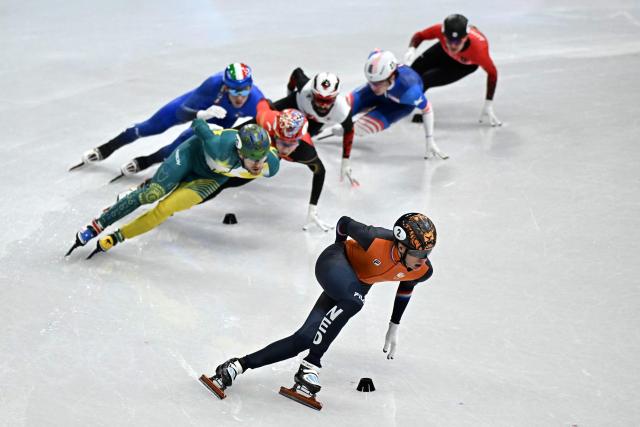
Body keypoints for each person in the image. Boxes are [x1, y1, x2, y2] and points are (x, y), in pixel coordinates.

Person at [203, 213, 437, 406]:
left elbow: (406, 288)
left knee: (304, 338)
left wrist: (393, 326)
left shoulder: (421, 270)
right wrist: (338, 246)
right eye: (417, 254)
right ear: (400, 244)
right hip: (336, 262)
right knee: (355, 302)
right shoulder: (374, 238)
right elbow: (344, 223)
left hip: (354, 286)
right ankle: (311, 365)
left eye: (427, 254)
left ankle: (236, 366)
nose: (422, 260)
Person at [65, 119, 278, 257]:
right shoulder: (219, 146)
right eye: (252, 159)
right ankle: (97, 225)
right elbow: (198, 124)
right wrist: (208, 120)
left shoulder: (269, 165)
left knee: (164, 209)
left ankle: (115, 238)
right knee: (152, 194)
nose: (257, 166)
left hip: (211, 178)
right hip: (190, 156)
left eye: (261, 158)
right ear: (240, 152)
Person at [72, 63, 265, 171]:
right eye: (233, 89)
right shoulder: (212, 85)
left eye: (244, 90)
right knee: (150, 127)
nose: (239, 96)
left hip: (220, 120)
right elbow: (182, 112)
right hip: (196, 107)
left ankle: (147, 161)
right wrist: (201, 114)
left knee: (180, 144)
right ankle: (106, 148)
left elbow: (265, 124)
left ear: (251, 87)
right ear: (224, 86)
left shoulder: (256, 100)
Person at [325, 49, 448, 165]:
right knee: (342, 107)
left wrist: (429, 139)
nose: (374, 87)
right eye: (371, 82)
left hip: (398, 105)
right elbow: (377, 52)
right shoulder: (376, 67)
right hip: (385, 94)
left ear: (392, 76)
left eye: (378, 83)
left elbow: (427, 110)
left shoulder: (410, 92)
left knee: (360, 128)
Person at [404, 14, 501, 126]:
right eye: (449, 41)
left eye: (457, 42)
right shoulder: (439, 30)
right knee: (413, 71)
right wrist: (412, 49)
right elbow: (420, 35)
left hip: (463, 66)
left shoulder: (479, 51)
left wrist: (488, 103)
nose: (453, 46)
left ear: (465, 38)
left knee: (426, 80)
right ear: (444, 36)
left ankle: (406, 107)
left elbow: (492, 73)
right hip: (443, 52)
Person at [279, 68, 357, 186]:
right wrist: (289, 93)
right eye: (319, 99)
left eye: (329, 100)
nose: (323, 105)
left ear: (336, 97)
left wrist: (345, 161)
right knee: (268, 112)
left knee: (293, 141)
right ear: (312, 93)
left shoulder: (342, 110)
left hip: (314, 122)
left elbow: (349, 131)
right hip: (296, 103)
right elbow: (297, 72)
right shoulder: (305, 88)